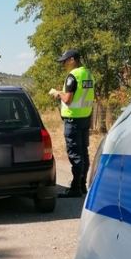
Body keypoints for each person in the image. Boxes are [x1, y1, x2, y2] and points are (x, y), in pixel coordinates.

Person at [49, 49, 95, 198]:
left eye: (65, 60)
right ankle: (82, 186)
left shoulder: (73, 76)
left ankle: (75, 188)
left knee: (75, 155)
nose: (63, 64)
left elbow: (68, 99)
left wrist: (57, 93)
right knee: (84, 153)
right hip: (85, 118)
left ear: (73, 60)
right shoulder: (88, 74)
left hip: (73, 121)